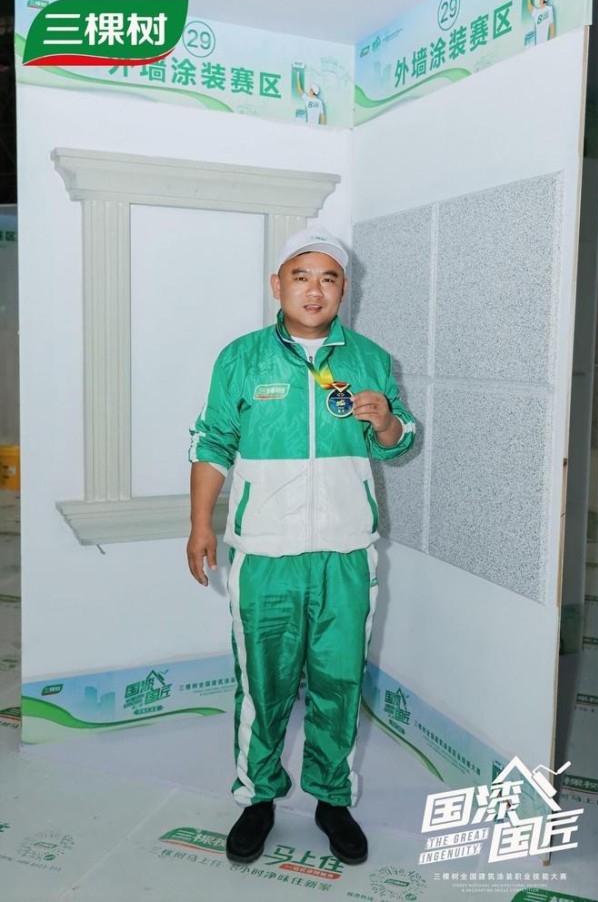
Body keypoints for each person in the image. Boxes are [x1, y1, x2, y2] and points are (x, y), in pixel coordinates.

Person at [187, 226, 416, 866]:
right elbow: (212, 442)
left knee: (340, 683)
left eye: (328, 278)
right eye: (300, 276)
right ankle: (257, 797)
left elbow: (398, 441)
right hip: (264, 554)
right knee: (262, 686)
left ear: (344, 289)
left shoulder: (370, 359)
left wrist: (387, 422)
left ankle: (331, 799)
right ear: (277, 285)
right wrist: (201, 523)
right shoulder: (242, 359)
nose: (314, 290)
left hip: (345, 553)